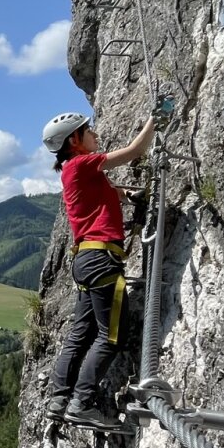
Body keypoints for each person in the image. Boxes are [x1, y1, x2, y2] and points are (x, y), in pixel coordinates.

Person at [41, 110, 155, 427]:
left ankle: (60, 399)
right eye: (88, 131)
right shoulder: (82, 163)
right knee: (111, 336)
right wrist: (155, 119)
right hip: (102, 259)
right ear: (74, 140)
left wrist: (127, 195)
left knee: (82, 333)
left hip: (86, 260)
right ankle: (82, 403)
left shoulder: (74, 170)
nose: (95, 134)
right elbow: (134, 151)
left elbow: (107, 191)